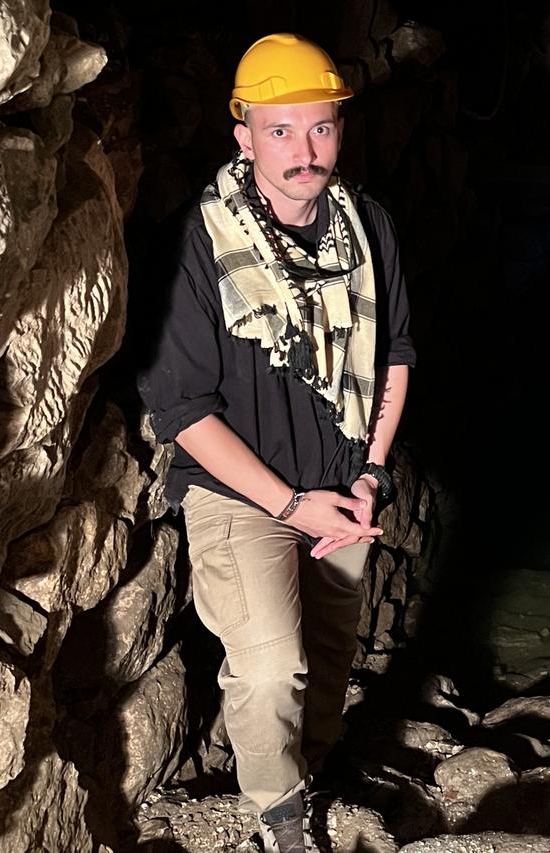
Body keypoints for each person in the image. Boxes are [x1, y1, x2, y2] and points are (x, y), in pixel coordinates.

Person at [138, 32, 415, 852]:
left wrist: (369, 471)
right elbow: (183, 409)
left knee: (328, 657)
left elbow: (395, 354)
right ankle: (279, 814)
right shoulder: (197, 246)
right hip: (241, 493)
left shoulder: (367, 229)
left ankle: (313, 764)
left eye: (320, 127)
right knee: (269, 664)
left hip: (340, 479)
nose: (304, 150)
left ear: (339, 127)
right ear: (244, 135)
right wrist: (289, 502)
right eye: (281, 130)